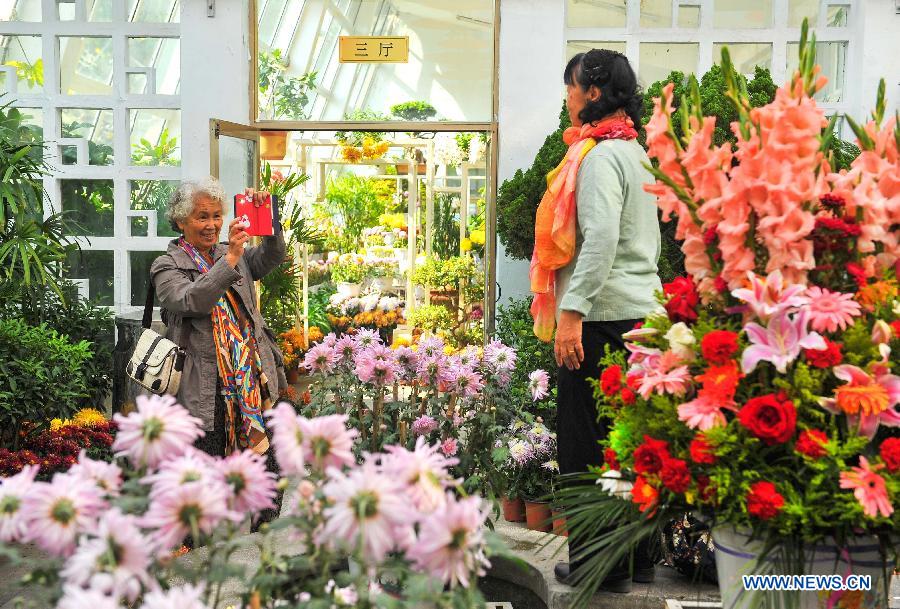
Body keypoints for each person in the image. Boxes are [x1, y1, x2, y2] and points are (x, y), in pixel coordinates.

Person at [529, 49, 662, 592]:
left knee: (585, 445)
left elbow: (602, 241)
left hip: (603, 318)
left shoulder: (602, 159)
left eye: (571, 87)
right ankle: (635, 560)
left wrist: (571, 314)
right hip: (637, 315)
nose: (567, 96)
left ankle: (594, 567)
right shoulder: (633, 152)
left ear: (592, 93)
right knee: (629, 444)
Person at [151, 177, 287, 459]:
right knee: (209, 474)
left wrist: (266, 213)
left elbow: (273, 255)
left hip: (252, 380)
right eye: (202, 217)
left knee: (264, 477)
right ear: (180, 221)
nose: (211, 225)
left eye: (216, 216)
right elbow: (191, 300)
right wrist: (230, 261)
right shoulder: (166, 266)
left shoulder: (231, 253)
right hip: (202, 390)